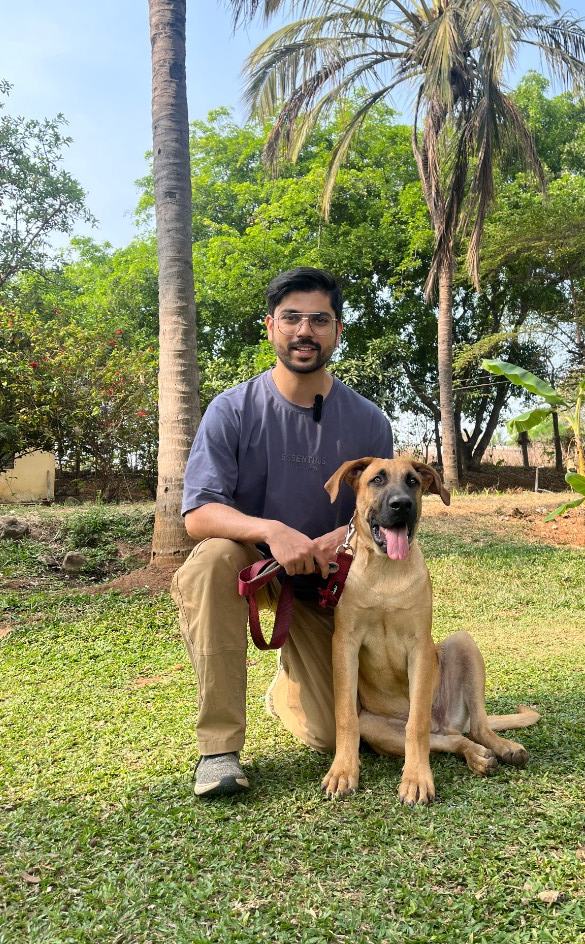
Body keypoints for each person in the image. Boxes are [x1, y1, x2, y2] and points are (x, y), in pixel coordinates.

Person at [171, 267, 394, 798]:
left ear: (337, 332)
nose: (304, 331)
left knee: (330, 735)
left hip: (327, 586)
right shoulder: (232, 410)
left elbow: (384, 513)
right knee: (209, 561)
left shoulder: (369, 422)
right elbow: (198, 514)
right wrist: (273, 532)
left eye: (319, 320)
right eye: (291, 318)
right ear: (270, 326)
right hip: (255, 570)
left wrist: (339, 538)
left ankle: (288, 685)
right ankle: (218, 751)